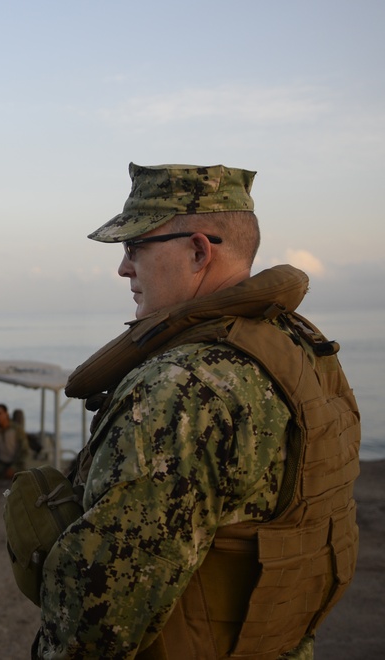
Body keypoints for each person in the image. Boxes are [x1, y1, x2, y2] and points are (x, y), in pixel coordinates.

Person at [33, 164, 360, 658]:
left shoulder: (182, 388)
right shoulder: (298, 347)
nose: (124, 268)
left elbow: (102, 610)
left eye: (135, 247)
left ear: (198, 250)